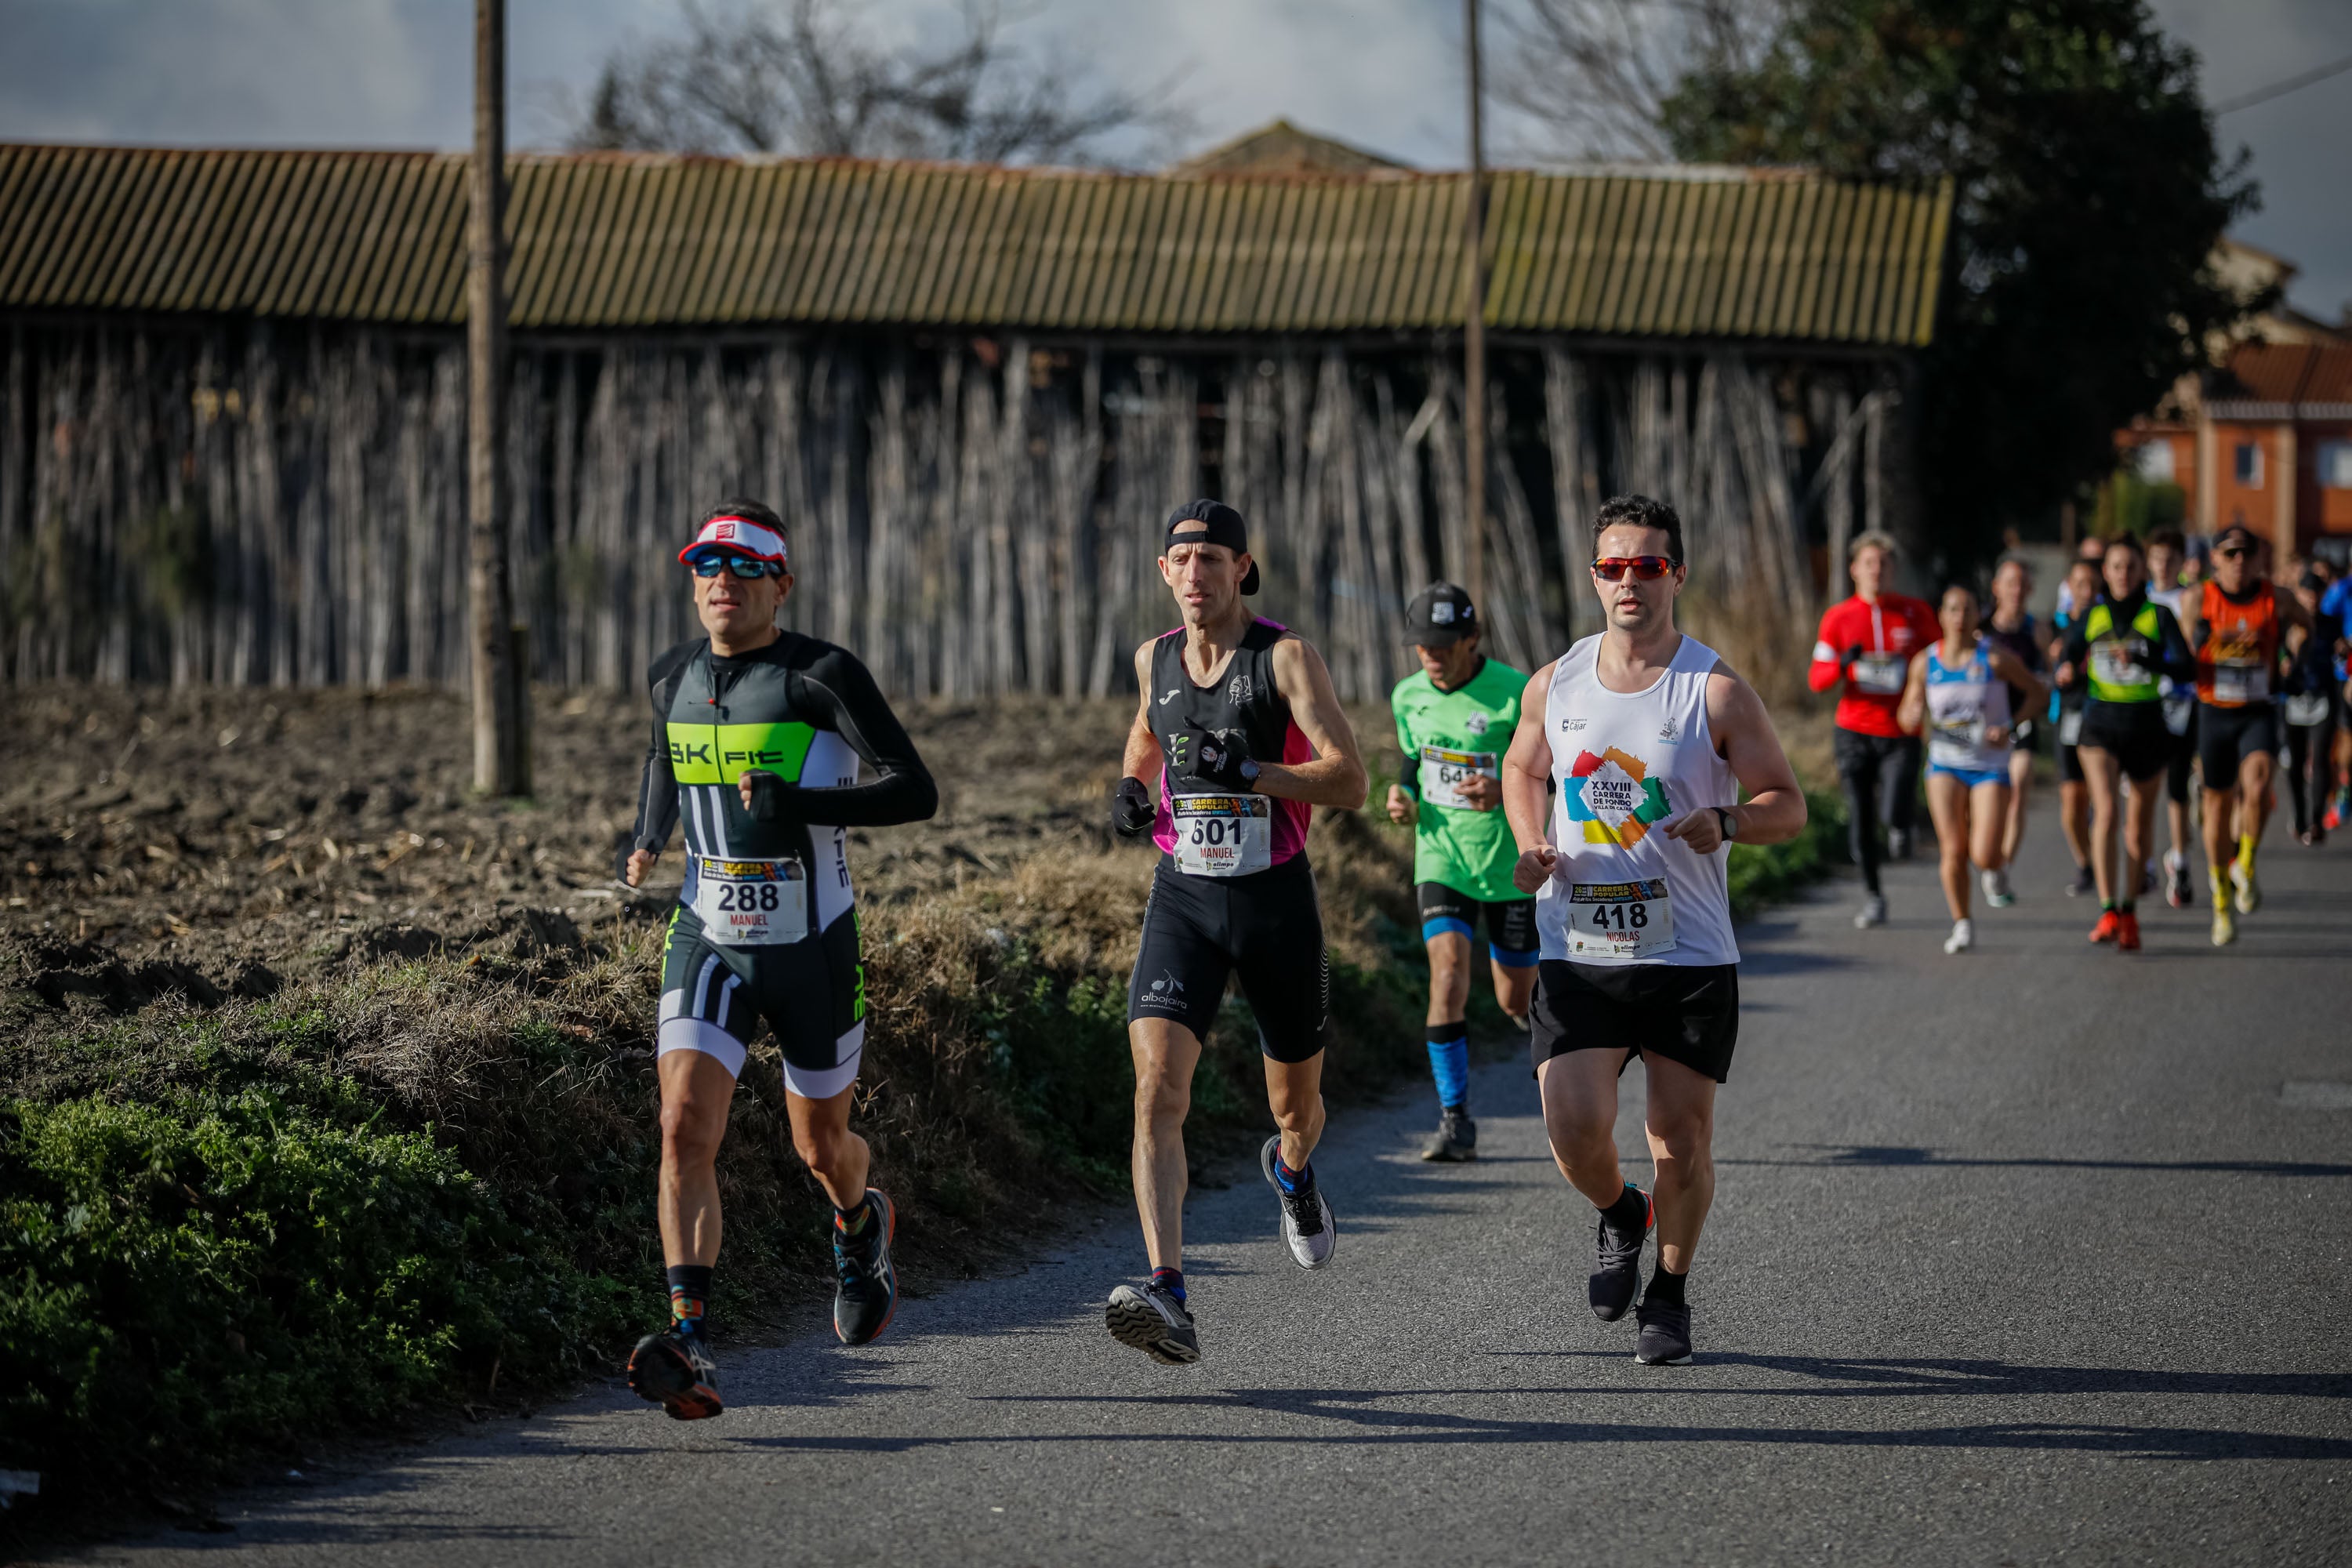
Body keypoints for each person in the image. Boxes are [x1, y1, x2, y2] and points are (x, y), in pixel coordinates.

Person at [620, 499, 939, 1421]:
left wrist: (802, 801)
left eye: (745, 567)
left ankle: (860, 1224)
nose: (723, 581)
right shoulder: (670, 674)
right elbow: (662, 757)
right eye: (707, 566)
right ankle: (689, 1337)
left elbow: (916, 790)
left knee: (820, 1147)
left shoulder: (821, 675)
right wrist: (646, 835)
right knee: (683, 1126)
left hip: (812, 946)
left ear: (781, 584)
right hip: (706, 936)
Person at [1503, 495, 1808, 1367]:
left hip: (1687, 954)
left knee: (1680, 1140)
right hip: (1579, 949)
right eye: (1614, 566)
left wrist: (1731, 820)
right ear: (1595, 577)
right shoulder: (1556, 682)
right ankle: (1621, 1213)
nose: (1629, 580)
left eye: (1647, 565)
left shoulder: (1714, 688)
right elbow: (1523, 765)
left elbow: (1788, 804)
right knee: (1572, 1127)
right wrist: (1531, 841)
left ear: (1676, 574)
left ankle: (1669, 1293)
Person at [1105, 499, 1368, 1366]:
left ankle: (1291, 1172)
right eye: (1181, 559)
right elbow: (1147, 731)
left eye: (1213, 558)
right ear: (1164, 571)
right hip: (1184, 899)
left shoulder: (1284, 657)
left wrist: (1252, 771)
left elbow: (1350, 780)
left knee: (1295, 1108)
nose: (1196, 573)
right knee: (1156, 1090)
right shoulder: (1153, 658)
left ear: (1242, 569)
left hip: (1273, 902)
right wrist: (1132, 787)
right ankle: (1168, 1292)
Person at [1385, 583, 1534, 1161]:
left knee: (1514, 998)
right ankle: (1455, 1120)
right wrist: (1402, 796)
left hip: (1507, 863)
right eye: (1422, 645)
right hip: (1441, 856)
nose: (1431, 655)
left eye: (1444, 644)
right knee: (1446, 974)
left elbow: (1548, 771)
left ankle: (1549, 1034)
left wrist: (1504, 789)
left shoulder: (1516, 691)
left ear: (1472, 639)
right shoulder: (1407, 696)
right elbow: (1411, 762)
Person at [2055, 536, 2195, 951]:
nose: (2123, 574)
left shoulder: (2159, 615)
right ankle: (2107, 910)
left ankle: (2129, 911)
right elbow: (2069, 655)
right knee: (2106, 812)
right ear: (2106, 572)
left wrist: (2144, 659)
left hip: (2147, 726)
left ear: (2142, 572)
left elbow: (2185, 668)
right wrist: (2066, 669)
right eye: (2116, 567)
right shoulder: (2093, 615)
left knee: (2137, 828)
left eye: (2131, 567)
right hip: (2100, 725)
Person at [1899, 585, 2047, 953]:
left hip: (1989, 765)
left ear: (1978, 615)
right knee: (1953, 849)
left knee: (1983, 854)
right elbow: (1905, 714)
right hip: (1944, 764)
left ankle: (1996, 868)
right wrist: (1911, 716)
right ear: (1941, 615)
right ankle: (1962, 923)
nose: (1960, 617)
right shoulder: (1925, 663)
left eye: (1967, 609)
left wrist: (2010, 725)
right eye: (1953, 609)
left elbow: (2038, 693)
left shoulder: (1995, 659)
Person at [2188, 524, 2312, 944]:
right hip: (2214, 712)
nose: (2239, 560)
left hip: (2258, 709)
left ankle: (2246, 863)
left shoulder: (2276, 598)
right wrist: (2198, 642)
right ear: (2215, 559)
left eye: (2247, 552)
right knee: (2217, 805)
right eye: (2230, 553)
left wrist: (2295, 654)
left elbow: (2306, 625)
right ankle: (2221, 897)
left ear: (2259, 558)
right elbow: (2182, 650)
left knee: (2258, 787)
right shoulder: (2199, 599)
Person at [1809, 532, 1938, 928]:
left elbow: (1941, 659)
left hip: (1901, 730)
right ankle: (1873, 895)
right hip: (1854, 730)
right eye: (1869, 563)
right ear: (1854, 569)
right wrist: (1843, 664)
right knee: (1861, 817)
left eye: (1883, 563)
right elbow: (1817, 680)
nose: (1876, 570)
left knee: (1892, 809)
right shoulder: (1838, 618)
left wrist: (1923, 696)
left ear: (1893, 569)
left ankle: (1901, 823)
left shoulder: (1915, 613)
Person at [1981, 556, 2046, 905]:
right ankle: (1988, 852)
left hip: (2020, 720)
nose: (2016, 591)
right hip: (1985, 726)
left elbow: (2047, 675)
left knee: (2019, 786)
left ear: (2030, 590)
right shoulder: (1981, 630)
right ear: (1997, 588)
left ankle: (2002, 865)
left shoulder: (2038, 631)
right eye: (2010, 583)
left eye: (2022, 584)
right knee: (1991, 798)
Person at [2145, 530, 2200, 909]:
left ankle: (2179, 860)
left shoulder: (2191, 599)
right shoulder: (2139, 599)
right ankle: (2148, 861)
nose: (2163, 565)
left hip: (2185, 700)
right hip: (2145, 702)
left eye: (2170, 559)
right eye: (2157, 558)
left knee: (2178, 784)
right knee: (2147, 786)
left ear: (2182, 562)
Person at [2049, 557, 2101, 896]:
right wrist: (2054, 661)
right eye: (2080, 584)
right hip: (2066, 715)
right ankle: (2086, 863)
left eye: (2093, 585)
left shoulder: (2107, 621)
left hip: (2101, 716)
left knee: (2101, 800)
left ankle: (2109, 859)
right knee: (2072, 801)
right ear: (2068, 585)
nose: (2087, 591)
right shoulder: (2055, 625)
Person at [2283, 570, 2345, 845]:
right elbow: (2277, 657)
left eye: (2317, 593)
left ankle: (2317, 821)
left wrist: (2343, 650)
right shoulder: (2287, 623)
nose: (2312, 599)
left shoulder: (2331, 624)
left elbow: (2342, 654)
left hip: (2323, 697)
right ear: (2298, 594)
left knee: (2320, 757)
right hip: (2293, 699)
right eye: (2307, 593)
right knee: (2295, 762)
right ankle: (2299, 816)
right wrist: (2287, 656)